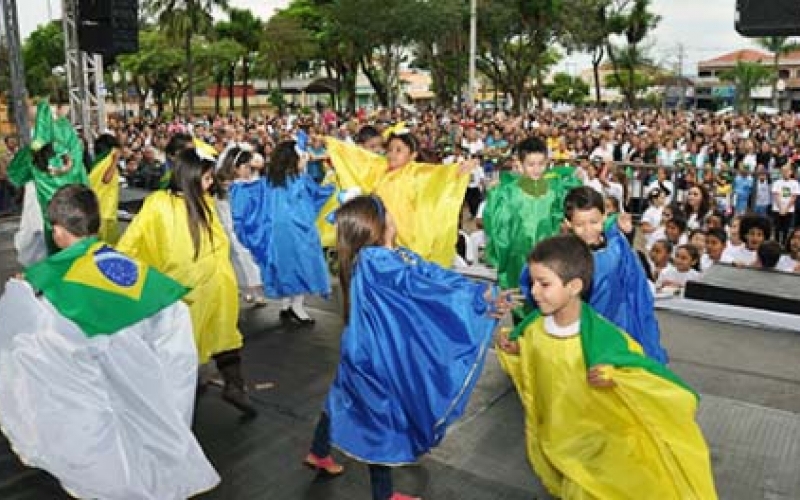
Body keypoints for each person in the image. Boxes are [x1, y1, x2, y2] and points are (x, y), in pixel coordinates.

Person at [0, 185, 219, 499]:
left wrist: (18, 295)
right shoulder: (138, 271)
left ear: (58, 231)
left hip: (96, 398)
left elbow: (26, 339)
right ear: (96, 223)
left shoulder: (45, 283)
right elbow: (175, 335)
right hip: (142, 388)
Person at [304, 195, 513, 500]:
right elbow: (425, 288)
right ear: (378, 224)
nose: (393, 214)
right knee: (381, 422)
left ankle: (318, 451)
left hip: (363, 350)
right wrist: (477, 299)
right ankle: (383, 495)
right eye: (387, 211)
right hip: (377, 357)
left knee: (345, 396)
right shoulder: (381, 262)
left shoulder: (383, 256)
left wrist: (477, 295)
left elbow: (429, 274)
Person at [496, 234, 717, 500]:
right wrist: (516, 349)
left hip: (594, 442)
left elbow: (637, 370)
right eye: (532, 283)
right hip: (557, 435)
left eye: (544, 284)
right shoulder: (533, 328)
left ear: (574, 286)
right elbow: (537, 355)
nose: (533, 292)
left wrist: (615, 378)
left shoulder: (603, 338)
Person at [117, 148, 257, 418]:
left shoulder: (187, 202)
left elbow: (131, 244)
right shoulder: (177, 203)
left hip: (197, 290)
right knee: (211, 340)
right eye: (206, 179)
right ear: (191, 177)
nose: (210, 184)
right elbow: (132, 244)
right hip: (202, 290)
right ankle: (222, 388)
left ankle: (208, 388)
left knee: (204, 341)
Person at [520, 186, 668, 363]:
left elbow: (635, 288)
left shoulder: (617, 245)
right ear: (568, 223)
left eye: (594, 222)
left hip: (616, 328)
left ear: (604, 216)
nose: (588, 229)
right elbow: (534, 281)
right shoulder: (560, 255)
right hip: (577, 334)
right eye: (580, 225)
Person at [323, 128, 473, 266]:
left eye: (398, 150)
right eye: (389, 150)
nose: (392, 154)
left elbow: (437, 176)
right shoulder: (381, 171)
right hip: (383, 236)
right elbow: (358, 160)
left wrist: (456, 172)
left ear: (413, 155)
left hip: (407, 237)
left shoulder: (416, 172)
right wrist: (331, 144)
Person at [231, 140, 334, 323]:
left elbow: (253, 197)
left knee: (286, 268)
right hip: (299, 233)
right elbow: (316, 195)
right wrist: (335, 188)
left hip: (278, 234)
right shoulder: (298, 179)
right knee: (302, 268)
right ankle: (297, 307)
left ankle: (287, 305)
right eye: (301, 156)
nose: (305, 158)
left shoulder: (269, 181)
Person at [483, 136, 580, 307]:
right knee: (521, 306)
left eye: (541, 164)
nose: (536, 169)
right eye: (531, 164)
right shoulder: (507, 193)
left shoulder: (555, 189)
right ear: (519, 164)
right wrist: (493, 196)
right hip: (518, 260)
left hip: (550, 258)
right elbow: (498, 230)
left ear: (547, 162)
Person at [7, 100, 88, 261]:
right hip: (75, 214)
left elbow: (14, 175)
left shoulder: (32, 156)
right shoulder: (73, 146)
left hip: (47, 219)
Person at [216, 145, 267, 306]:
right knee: (240, 259)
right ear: (235, 167)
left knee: (248, 260)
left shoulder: (248, 183)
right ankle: (247, 289)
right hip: (232, 228)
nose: (248, 170)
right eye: (245, 167)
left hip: (246, 228)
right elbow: (224, 212)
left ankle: (255, 291)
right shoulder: (225, 188)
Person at [87, 133, 121, 243]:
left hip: (97, 210)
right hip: (105, 213)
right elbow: (106, 179)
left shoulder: (97, 163)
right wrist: (115, 160)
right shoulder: (108, 162)